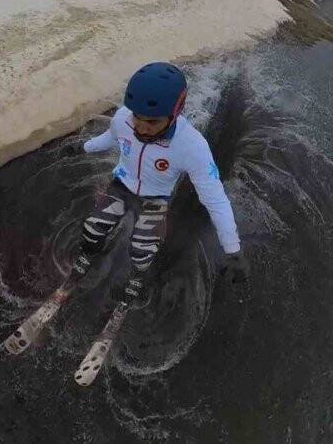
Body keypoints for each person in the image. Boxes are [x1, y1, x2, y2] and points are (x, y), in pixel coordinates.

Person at [67, 62, 249, 309]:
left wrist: (233, 250)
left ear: (174, 114)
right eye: (137, 117)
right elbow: (110, 138)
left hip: (155, 199)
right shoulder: (123, 119)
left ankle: (137, 276)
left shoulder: (191, 146)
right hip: (121, 186)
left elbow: (215, 198)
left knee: (142, 251)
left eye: (151, 122)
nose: (140, 127)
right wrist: (83, 147)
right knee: (91, 230)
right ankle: (87, 256)